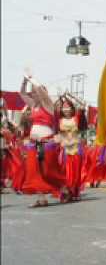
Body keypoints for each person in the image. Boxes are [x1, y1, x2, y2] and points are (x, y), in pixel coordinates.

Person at [19, 74, 67, 207]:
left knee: (49, 170)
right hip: (33, 143)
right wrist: (24, 80)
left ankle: (64, 189)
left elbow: (40, 91)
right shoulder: (34, 105)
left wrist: (32, 79)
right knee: (34, 170)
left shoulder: (48, 105)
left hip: (47, 142)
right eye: (32, 93)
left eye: (35, 92)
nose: (34, 94)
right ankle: (42, 199)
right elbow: (22, 93)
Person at [54, 97, 88, 201]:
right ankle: (66, 192)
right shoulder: (59, 120)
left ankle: (75, 192)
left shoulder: (76, 118)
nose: (66, 110)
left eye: (68, 107)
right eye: (64, 108)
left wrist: (70, 97)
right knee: (65, 172)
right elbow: (54, 107)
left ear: (72, 109)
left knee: (76, 172)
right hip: (64, 149)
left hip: (76, 148)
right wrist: (60, 100)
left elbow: (82, 105)